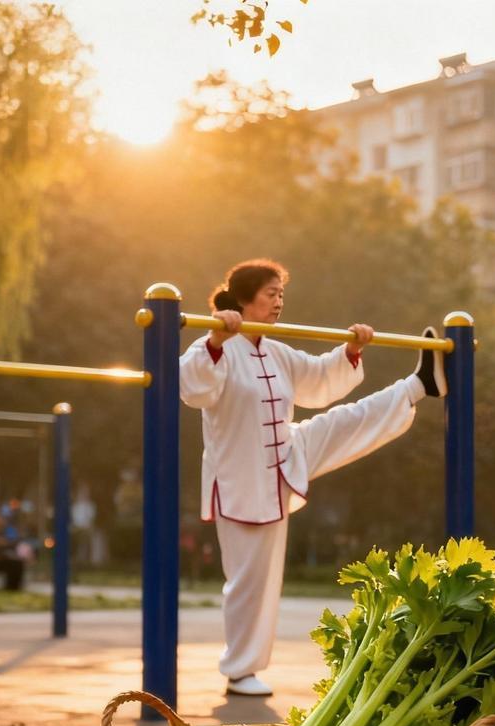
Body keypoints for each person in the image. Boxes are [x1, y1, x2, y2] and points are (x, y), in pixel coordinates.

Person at [179, 259, 446, 696]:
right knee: (250, 580)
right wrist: (214, 340)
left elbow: (319, 379)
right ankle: (240, 670)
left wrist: (351, 351)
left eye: (281, 294)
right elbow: (192, 388)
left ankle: (419, 386)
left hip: (286, 453)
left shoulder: (277, 351)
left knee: (342, 420)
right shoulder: (215, 345)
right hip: (242, 480)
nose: (279, 302)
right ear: (244, 298)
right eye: (271, 294)